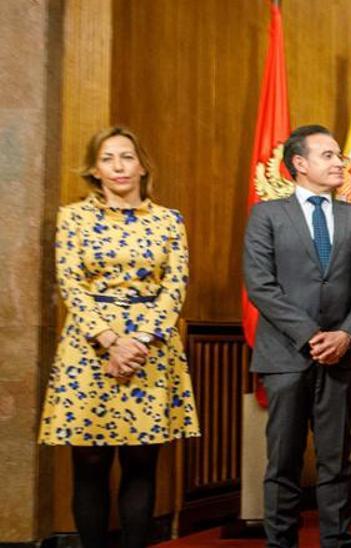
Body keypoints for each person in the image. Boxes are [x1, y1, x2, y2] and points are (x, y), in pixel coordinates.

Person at [39, 126, 200, 548]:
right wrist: (111, 340)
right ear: (95, 169)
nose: (118, 166)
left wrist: (140, 341)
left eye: (126, 157)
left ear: (142, 164)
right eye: (108, 158)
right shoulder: (73, 217)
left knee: (140, 460)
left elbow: (176, 284)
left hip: (151, 348)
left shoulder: (168, 220)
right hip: (88, 350)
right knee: (90, 461)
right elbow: (70, 282)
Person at [242, 125, 351, 548]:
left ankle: (337, 542)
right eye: (328, 155)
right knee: (283, 461)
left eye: (339, 154)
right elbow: (260, 285)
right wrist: (311, 336)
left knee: (336, 459)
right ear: (299, 164)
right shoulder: (266, 215)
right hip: (285, 356)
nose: (340, 161)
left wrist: (343, 334)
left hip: (342, 354)